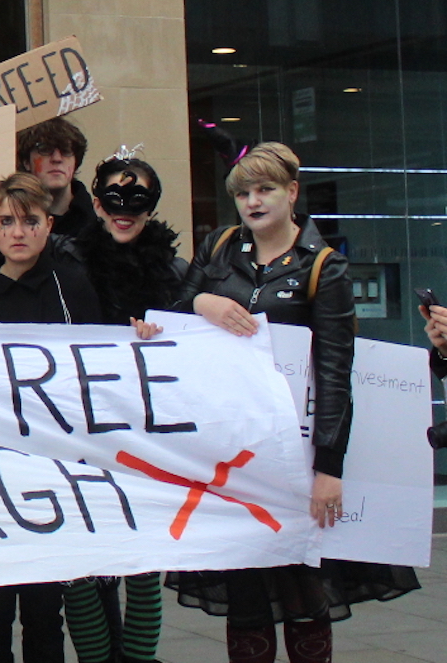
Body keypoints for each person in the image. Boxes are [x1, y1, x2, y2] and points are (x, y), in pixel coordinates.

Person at [163, 142, 418, 663]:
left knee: (304, 588)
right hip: (233, 449)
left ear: (291, 193)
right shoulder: (218, 248)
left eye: (265, 190)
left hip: (295, 452)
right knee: (246, 590)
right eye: (243, 193)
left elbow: (333, 372)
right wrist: (202, 300)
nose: (253, 202)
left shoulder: (325, 266)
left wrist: (329, 466)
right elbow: (172, 315)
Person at [0, 172, 103, 663]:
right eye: (7, 221)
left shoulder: (71, 287)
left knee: (43, 607)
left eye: (29, 221)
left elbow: (99, 364)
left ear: (49, 225)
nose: (18, 232)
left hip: (51, 470)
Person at [58, 149, 183, 663]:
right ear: (95, 202)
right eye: (114, 198)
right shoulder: (66, 260)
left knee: (143, 555)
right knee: (78, 556)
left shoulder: (175, 272)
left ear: (153, 206)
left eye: (138, 198)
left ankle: (139, 659)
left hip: (144, 433)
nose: (124, 209)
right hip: (77, 428)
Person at [0, 66, 95, 271]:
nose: (57, 158)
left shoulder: (97, 223)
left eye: (67, 151)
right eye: (45, 150)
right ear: (25, 161)